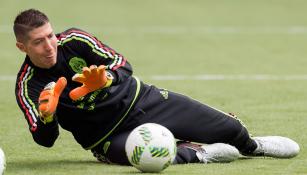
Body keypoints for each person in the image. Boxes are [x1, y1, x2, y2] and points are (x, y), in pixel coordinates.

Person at [14, 9, 299, 166]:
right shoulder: (28, 85)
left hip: (144, 100)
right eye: (38, 42)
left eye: (50, 35)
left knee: (232, 131)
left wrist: (108, 79)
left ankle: (254, 145)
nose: (49, 45)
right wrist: (47, 117)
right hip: (108, 138)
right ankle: (198, 152)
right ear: (22, 46)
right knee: (148, 159)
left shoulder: (75, 40)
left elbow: (122, 65)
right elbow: (45, 140)